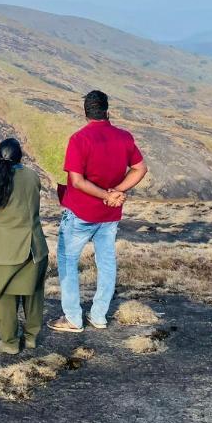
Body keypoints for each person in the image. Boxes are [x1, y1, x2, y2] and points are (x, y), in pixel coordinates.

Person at [48, 90, 147, 333]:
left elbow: (78, 181)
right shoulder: (124, 137)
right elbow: (140, 169)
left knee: (68, 262)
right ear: (107, 110)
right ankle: (99, 316)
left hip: (81, 213)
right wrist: (116, 192)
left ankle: (73, 318)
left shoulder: (79, 139)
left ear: (86, 112)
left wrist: (106, 194)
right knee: (106, 263)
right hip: (110, 215)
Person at [0, 138, 48, 355]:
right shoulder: (32, 175)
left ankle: (9, 343)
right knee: (33, 293)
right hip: (35, 246)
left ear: (0, 156)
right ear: (21, 156)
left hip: (6, 248)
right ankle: (30, 338)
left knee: (3, 296)